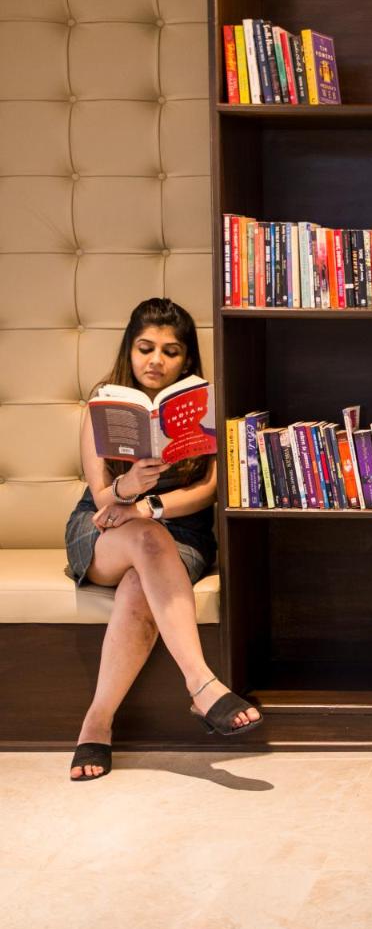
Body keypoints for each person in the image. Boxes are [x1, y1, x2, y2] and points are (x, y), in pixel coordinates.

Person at [65, 298, 262, 781]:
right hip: (105, 529)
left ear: (187, 359)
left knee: (142, 577)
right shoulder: (104, 406)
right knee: (145, 540)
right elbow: (102, 497)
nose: (156, 360)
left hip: (178, 535)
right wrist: (129, 486)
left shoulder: (203, 406)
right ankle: (202, 684)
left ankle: (96, 724)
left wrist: (150, 506)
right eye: (145, 348)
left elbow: (209, 490)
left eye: (171, 352)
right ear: (129, 351)